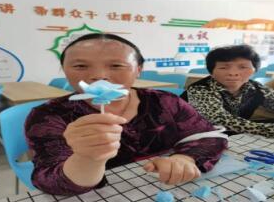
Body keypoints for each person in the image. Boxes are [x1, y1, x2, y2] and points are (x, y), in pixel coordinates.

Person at [25, 33, 227, 196]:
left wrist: (185, 158)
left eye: (116, 65)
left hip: (169, 188)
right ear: (64, 69)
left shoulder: (164, 101)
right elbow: (48, 179)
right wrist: (86, 158)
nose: (99, 76)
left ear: (138, 69)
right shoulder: (48, 115)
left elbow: (209, 135)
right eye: (80, 66)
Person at [183, 44, 274, 138]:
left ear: (254, 71)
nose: (233, 73)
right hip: (192, 136)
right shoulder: (200, 89)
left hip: (231, 136)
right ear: (212, 72)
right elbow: (220, 120)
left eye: (243, 67)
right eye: (223, 68)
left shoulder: (257, 88)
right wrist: (269, 130)